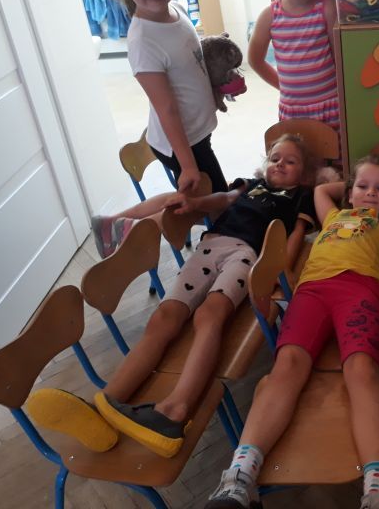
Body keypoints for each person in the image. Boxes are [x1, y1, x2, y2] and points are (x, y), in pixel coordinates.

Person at [27, 135, 317, 458]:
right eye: (275, 158)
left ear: (304, 173)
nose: (280, 164)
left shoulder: (300, 197)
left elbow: (295, 235)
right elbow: (223, 198)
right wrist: (196, 204)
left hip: (247, 254)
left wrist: (278, 269)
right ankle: (104, 406)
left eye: (290, 161)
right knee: (164, 317)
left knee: (210, 315)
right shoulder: (249, 184)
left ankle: (175, 410)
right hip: (210, 245)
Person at [205, 155, 379, 509]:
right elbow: (321, 191)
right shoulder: (333, 216)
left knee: (362, 370)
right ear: (349, 193)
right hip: (311, 292)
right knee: (286, 366)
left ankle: (378, 491)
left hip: (359, 290)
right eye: (362, 186)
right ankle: (238, 478)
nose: (370, 193)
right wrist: (354, 188)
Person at [110, 0, 229, 197]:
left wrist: (218, 85)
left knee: (216, 198)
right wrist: (187, 166)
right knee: (220, 204)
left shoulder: (176, 10)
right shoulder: (143, 41)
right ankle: (134, 217)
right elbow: (166, 109)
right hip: (183, 145)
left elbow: (191, 64)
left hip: (196, 133)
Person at [248, 0, 340, 133]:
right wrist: (282, 86)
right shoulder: (269, 16)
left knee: (335, 153)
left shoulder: (326, 9)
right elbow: (255, 60)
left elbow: (340, 58)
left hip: (331, 106)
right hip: (293, 111)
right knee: (297, 154)